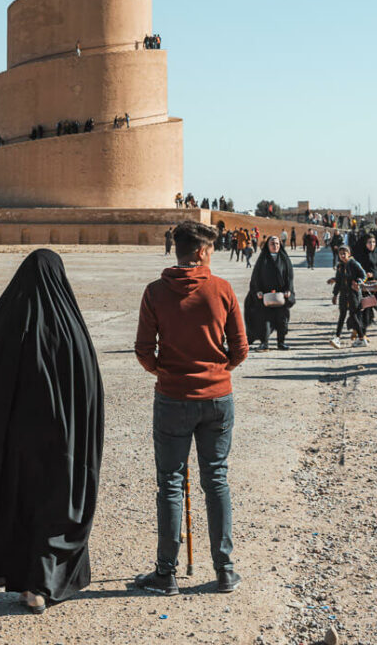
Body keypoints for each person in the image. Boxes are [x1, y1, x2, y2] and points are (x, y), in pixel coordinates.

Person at [0, 250, 104, 613]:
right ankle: (38, 588)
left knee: (6, 501)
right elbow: (90, 390)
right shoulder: (71, 327)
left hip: (11, 443)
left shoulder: (7, 320)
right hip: (61, 444)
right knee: (53, 504)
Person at [133, 220, 247, 596]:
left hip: (173, 399)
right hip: (217, 399)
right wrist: (217, 372)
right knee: (215, 480)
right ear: (200, 252)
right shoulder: (222, 289)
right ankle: (225, 569)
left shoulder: (154, 292)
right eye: (211, 250)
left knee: (170, 482)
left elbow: (143, 351)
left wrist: (165, 372)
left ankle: (166, 573)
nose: (212, 256)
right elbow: (241, 350)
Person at [246, 236, 295, 350]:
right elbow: (256, 277)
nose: (275, 246)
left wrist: (289, 290)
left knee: (282, 319)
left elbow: (290, 277)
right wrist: (258, 290)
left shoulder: (284, 259)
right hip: (265, 295)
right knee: (264, 320)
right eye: (272, 244)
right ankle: (264, 343)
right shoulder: (263, 259)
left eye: (277, 243)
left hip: (281, 295)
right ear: (268, 246)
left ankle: (281, 342)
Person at [328, 245, 368, 348]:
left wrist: (358, 282)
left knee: (354, 316)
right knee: (342, 315)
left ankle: (362, 339)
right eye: (340, 253)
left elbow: (363, 275)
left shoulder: (354, 263)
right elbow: (339, 281)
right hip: (343, 295)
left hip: (353, 295)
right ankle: (337, 338)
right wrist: (335, 294)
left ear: (349, 254)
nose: (342, 255)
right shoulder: (340, 266)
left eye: (344, 253)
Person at [352, 233, 377, 325]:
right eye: (369, 242)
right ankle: (370, 318)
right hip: (364, 282)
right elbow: (356, 268)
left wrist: (373, 274)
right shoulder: (360, 255)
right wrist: (365, 274)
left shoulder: (376, 254)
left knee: (374, 299)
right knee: (367, 300)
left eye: (374, 242)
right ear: (365, 243)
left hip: (374, 282)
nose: (372, 244)